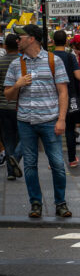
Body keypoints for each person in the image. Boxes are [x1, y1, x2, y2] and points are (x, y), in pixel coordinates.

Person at [3, 25, 71, 218]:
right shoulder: (17, 65)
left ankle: (61, 203)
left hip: (50, 121)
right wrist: (17, 85)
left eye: (20, 36)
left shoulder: (53, 61)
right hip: (25, 122)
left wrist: (62, 119)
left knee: (57, 164)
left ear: (31, 39)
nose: (17, 40)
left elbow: (63, 92)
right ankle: (35, 203)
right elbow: (8, 95)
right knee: (30, 165)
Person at [52, 30, 80, 167]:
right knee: (69, 129)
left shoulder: (49, 57)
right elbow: (79, 76)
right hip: (69, 97)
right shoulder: (70, 57)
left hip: (52, 96)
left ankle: (54, 160)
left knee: (53, 130)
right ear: (66, 42)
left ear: (53, 41)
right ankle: (71, 159)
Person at [0, 33, 23, 180]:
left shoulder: (0, 62)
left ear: (5, 47)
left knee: (8, 139)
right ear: (18, 45)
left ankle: (10, 171)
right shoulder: (23, 62)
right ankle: (15, 158)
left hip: (2, 106)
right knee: (24, 137)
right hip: (21, 106)